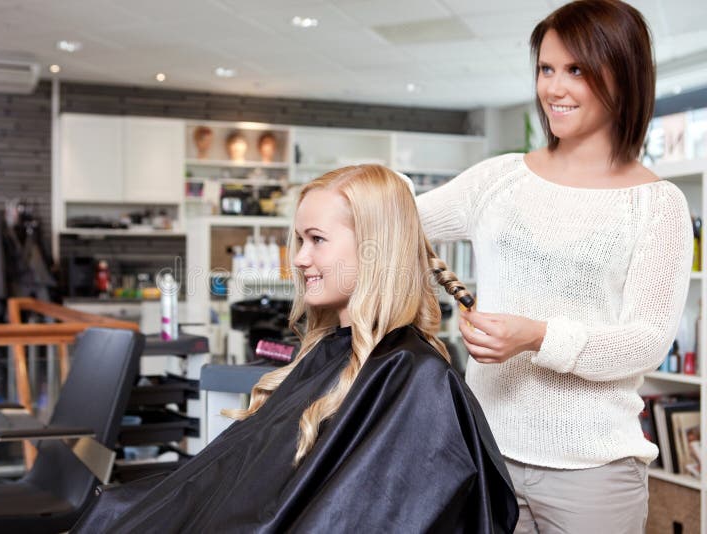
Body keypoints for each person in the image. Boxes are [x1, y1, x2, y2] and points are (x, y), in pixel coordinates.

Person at [73, 164, 517, 533]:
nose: (300, 258)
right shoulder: (333, 353)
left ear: (375, 250)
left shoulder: (410, 375)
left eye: (317, 240)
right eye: (300, 240)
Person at [416, 1, 692, 532]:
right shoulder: (498, 180)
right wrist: (379, 193)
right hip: (484, 454)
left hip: (594, 477)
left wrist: (537, 336)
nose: (554, 89)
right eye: (546, 69)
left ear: (625, 75)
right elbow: (399, 222)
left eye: (577, 70)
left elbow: (647, 339)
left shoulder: (656, 205)